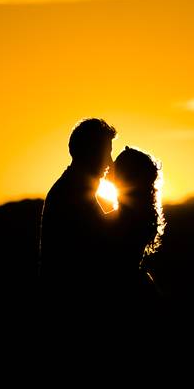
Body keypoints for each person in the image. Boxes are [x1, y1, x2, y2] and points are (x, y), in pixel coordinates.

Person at [38, 118, 116, 301]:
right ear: (90, 152)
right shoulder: (71, 193)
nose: (110, 162)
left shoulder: (72, 188)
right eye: (107, 153)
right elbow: (102, 242)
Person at [103, 145, 166, 315]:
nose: (110, 166)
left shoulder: (125, 220)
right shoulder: (138, 215)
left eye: (117, 165)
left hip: (125, 297)